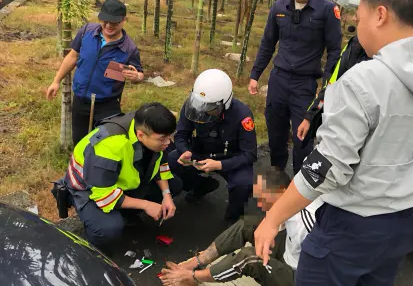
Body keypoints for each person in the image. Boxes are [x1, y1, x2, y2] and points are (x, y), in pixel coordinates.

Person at [254, 0, 413, 286]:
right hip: (408, 222)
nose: (357, 30)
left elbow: (326, 169)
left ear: (380, 14)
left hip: (351, 228)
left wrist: (273, 219)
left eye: (358, 20)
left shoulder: (361, 83)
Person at [248, 0, 342, 175]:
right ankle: (277, 175)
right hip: (278, 79)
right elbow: (267, 43)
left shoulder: (327, 10)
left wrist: (328, 87)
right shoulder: (279, 7)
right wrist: (255, 74)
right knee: (276, 132)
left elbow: (334, 52)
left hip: (305, 84)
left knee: (302, 138)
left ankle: (301, 185)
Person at [52, 102, 183, 250]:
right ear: (141, 135)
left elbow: (161, 164)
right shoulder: (110, 145)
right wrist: (146, 205)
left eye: (169, 137)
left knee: (174, 185)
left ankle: (126, 213)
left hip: (120, 182)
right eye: (162, 139)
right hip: (88, 188)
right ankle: (93, 248)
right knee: (108, 229)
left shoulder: (151, 128)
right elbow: (103, 194)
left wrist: (166, 195)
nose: (168, 143)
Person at [159, 170, 323, 286]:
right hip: (293, 255)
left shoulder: (306, 222)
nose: (259, 204)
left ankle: (193, 277)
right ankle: (196, 262)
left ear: (282, 192)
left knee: (249, 258)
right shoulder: (295, 197)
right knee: (249, 223)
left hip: (303, 278)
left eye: (263, 199)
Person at [46, 0, 144, 145]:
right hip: (81, 100)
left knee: (103, 145)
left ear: (124, 20)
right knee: (79, 142)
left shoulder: (129, 48)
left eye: (114, 22)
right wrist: (56, 81)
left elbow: (140, 74)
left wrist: (136, 77)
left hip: (107, 105)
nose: (109, 25)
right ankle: (80, 167)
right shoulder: (87, 32)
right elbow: (72, 57)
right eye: (105, 20)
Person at [168, 69, 257, 223]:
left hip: (230, 158)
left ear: (225, 102)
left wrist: (220, 165)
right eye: (201, 105)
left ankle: (232, 221)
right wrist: (185, 151)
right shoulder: (192, 105)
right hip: (199, 153)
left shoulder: (243, 115)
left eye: (210, 107)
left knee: (244, 183)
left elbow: (249, 154)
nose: (203, 110)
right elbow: (181, 134)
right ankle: (202, 186)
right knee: (172, 160)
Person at [297, 29, 370, 143]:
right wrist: (310, 117)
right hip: (339, 133)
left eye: (359, 16)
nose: (355, 19)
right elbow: (331, 86)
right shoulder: (354, 44)